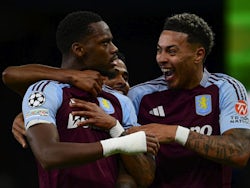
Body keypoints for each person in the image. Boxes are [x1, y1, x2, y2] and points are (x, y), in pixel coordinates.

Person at [2, 10, 160, 188]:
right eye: (105, 42)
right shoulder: (46, 91)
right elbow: (47, 154)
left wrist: (116, 129)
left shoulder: (121, 102)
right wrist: (119, 143)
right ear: (78, 49)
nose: (114, 48)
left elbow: (144, 176)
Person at [125, 13, 250, 187]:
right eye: (159, 50)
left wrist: (176, 133)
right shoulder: (139, 96)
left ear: (198, 55)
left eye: (171, 51)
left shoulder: (225, 88)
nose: (161, 58)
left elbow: (240, 152)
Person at [3, 51, 130, 149]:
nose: (122, 82)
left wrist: (115, 126)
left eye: (126, 77)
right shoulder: (62, 96)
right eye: (111, 75)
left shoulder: (134, 100)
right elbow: (9, 75)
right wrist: (30, 112)